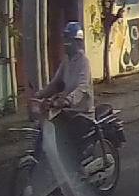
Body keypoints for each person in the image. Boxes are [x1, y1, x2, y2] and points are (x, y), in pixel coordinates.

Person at [35, 21, 95, 158]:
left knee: (65, 136)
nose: (66, 44)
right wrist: (40, 94)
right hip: (67, 110)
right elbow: (56, 83)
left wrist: (67, 100)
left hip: (82, 112)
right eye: (65, 40)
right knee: (50, 126)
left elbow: (82, 87)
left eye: (70, 40)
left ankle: (74, 163)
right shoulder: (66, 61)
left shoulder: (84, 62)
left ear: (78, 42)